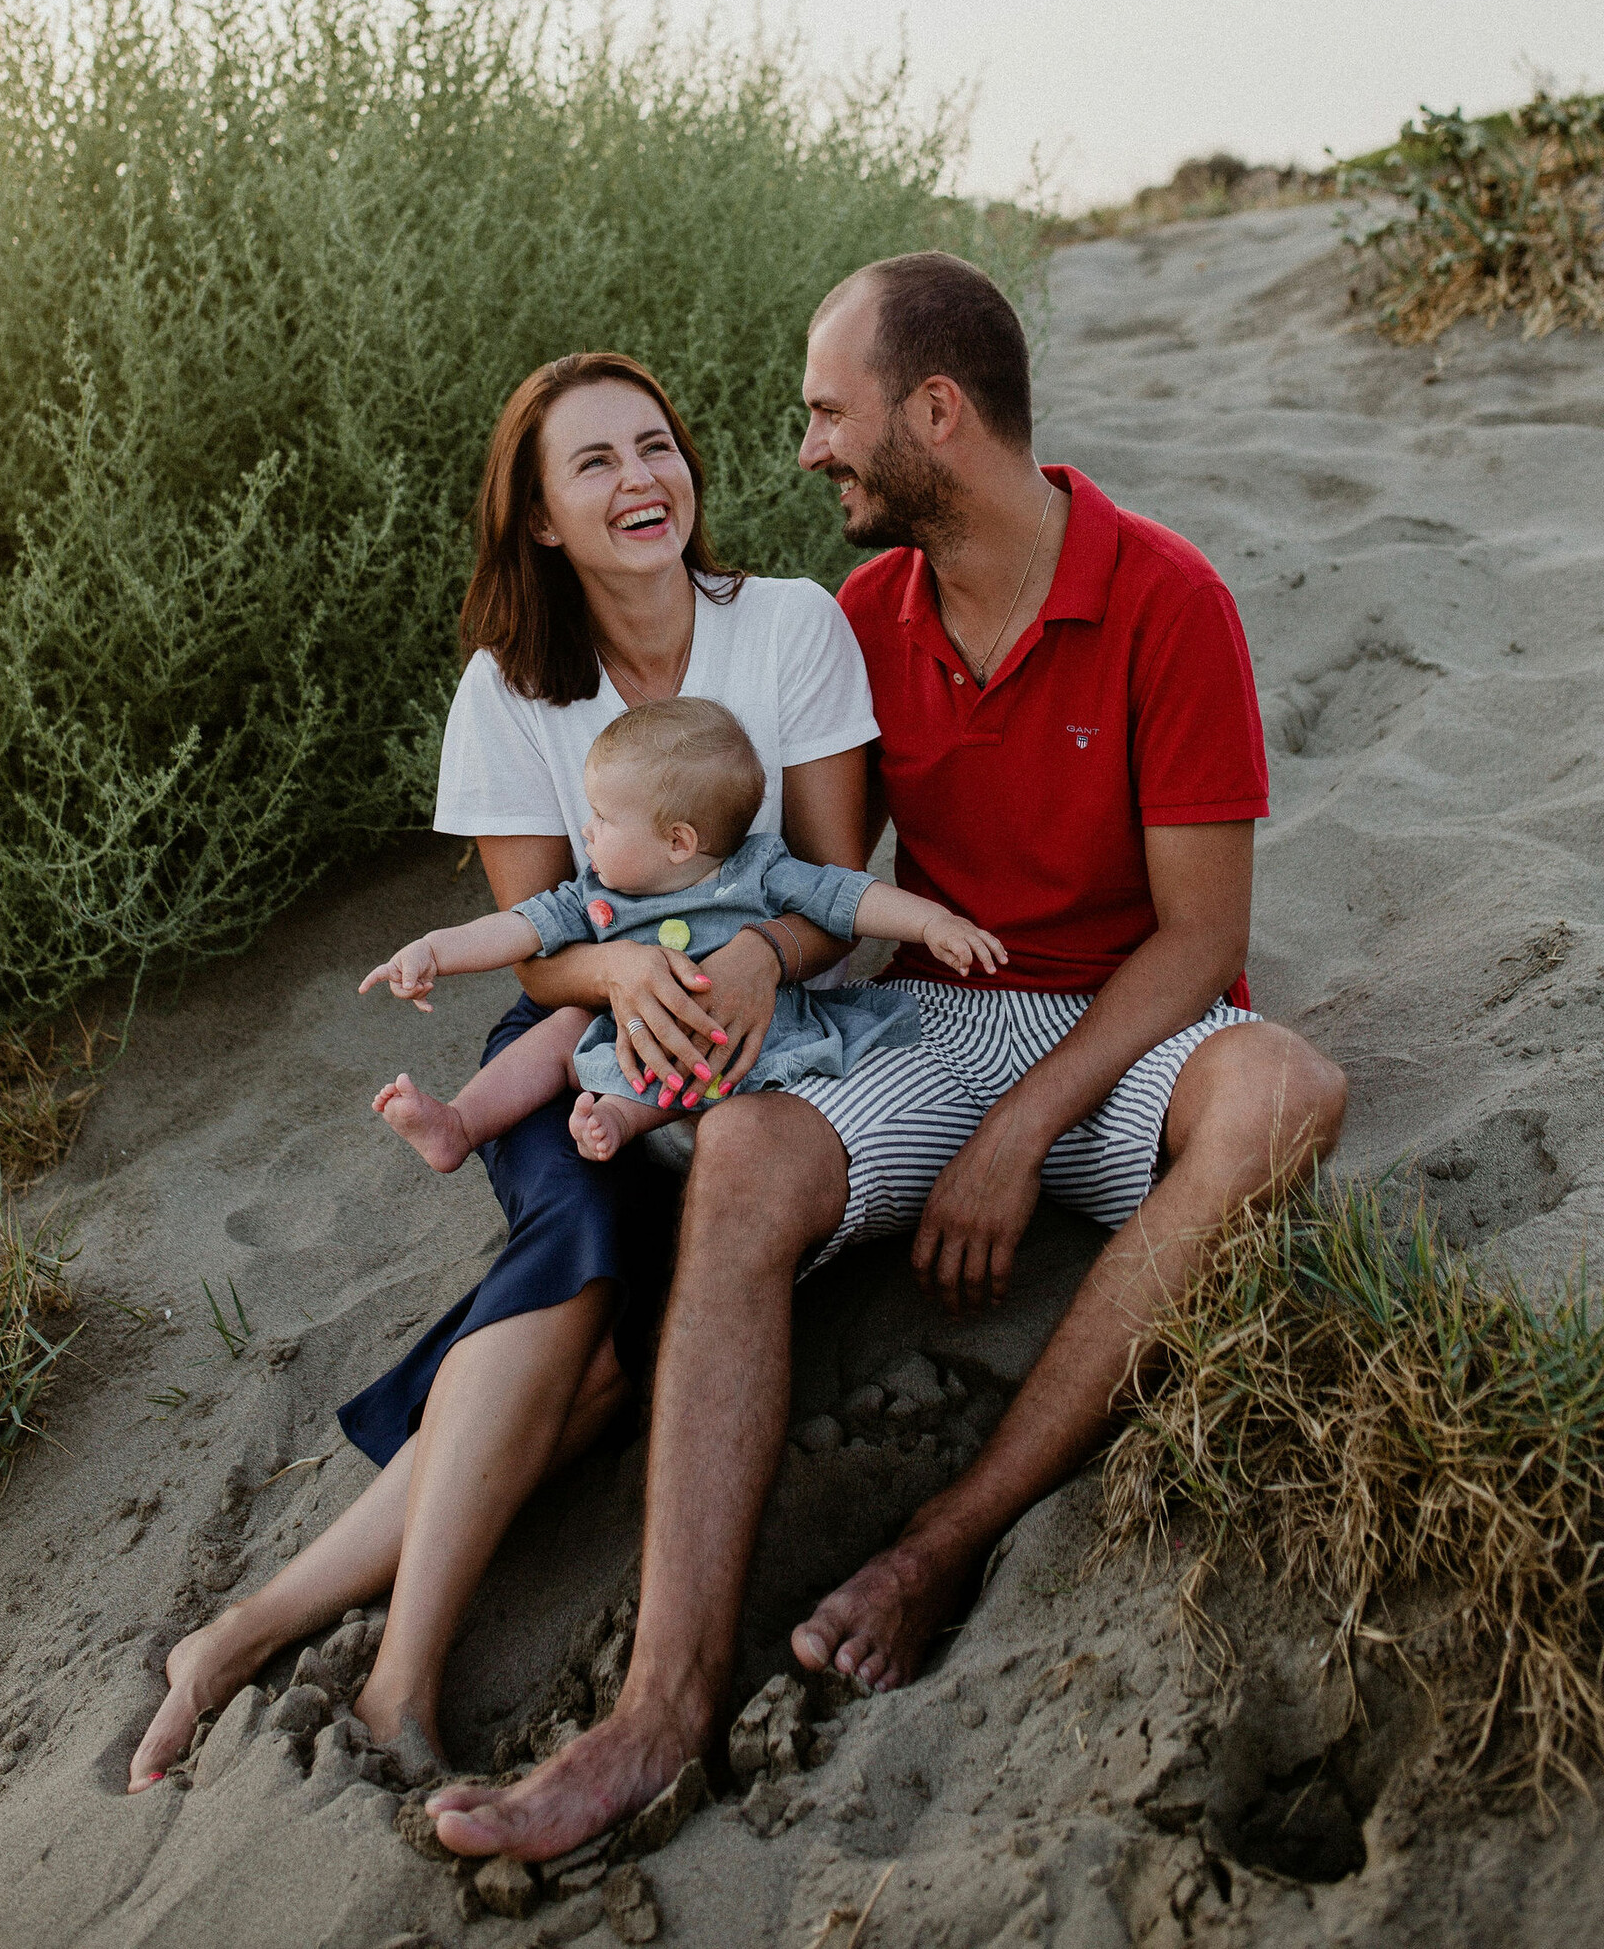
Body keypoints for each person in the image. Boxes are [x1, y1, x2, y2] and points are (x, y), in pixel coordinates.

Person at [424, 253, 1348, 1864]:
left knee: (1286, 1091)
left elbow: (1199, 940)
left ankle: (946, 1539)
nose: (803, 454)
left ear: (936, 413)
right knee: (748, 1156)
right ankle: (659, 1710)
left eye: (829, 415)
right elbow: (802, 892)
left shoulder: (1165, 600)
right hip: (932, 1016)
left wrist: (1022, 1131)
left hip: (1129, 1026)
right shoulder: (862, 619)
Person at [128, 350, 882, 1790]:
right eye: (592, 464)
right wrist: (635, 975)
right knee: (586, 1250)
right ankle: (400, 1682)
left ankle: (238, 1634)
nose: (639, 480)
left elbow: (840, 884)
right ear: (539, 518)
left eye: (654, 446)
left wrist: (748, 963)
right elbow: (539, 948)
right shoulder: (511, 692)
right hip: (576, 1038)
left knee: (600, 1367)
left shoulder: (789, 628)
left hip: (770, 1029)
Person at [362, 696, 1005, 1168]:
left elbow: (848, 899)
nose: (585, 832)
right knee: (557, 1030)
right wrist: (434, 952)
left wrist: (931, 922)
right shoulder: (596, 895)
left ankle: (618, 1116)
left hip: (749, 1040)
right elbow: (513, 930)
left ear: (679, 842)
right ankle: (459, 1123)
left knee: (690, 1059)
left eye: (604, 818)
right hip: (633, 1034)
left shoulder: (760, 870)